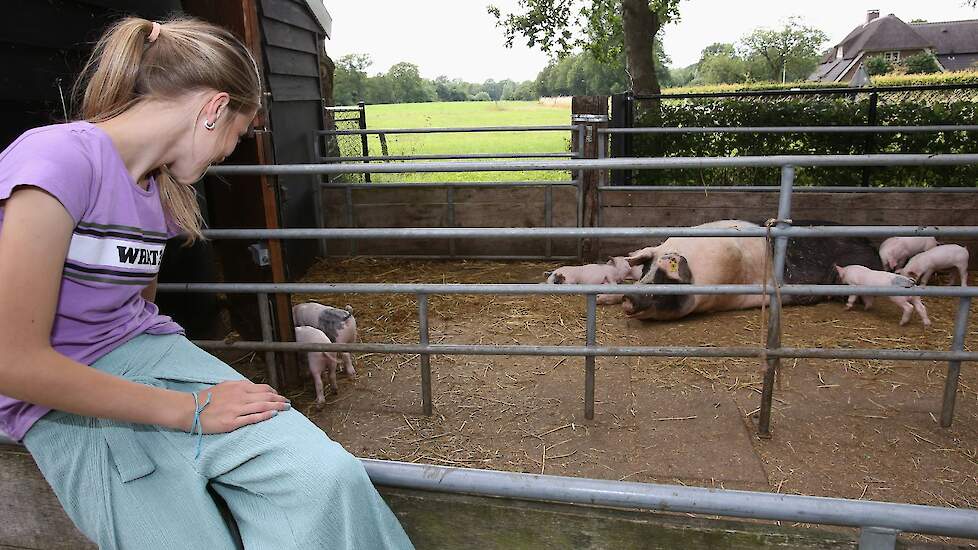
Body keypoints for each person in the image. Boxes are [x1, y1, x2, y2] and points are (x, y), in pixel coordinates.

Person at [0, 17, 413, 549]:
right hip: (57, 393)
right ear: (215, 108)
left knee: (326, 481)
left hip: (151, 358)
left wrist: (191, 397)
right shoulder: (58, 160)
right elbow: (13, 362)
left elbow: (134, 314)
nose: (226, 153)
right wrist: (189, 411)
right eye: (237, 136)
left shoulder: (161, 193)